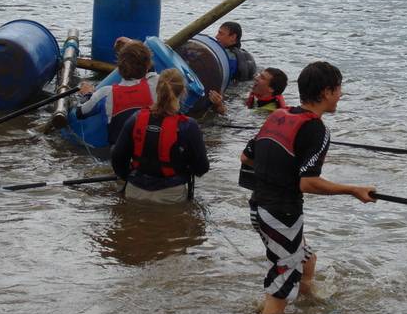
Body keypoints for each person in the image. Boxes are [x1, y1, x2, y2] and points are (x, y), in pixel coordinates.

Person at [240, 61, 376, 314]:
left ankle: (307, 303)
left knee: (306, 259)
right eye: (338, 89)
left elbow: (246, 157)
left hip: (258, 208)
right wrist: (353, 190)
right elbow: (308, 182)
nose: (341, 95)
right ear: (326, 92)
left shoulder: (278, 116)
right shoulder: (316, 129)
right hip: (282, 214)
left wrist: (277, 170)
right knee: (282, 283)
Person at [112, 69, 210, 204]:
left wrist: (128, 175)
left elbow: (117, 157)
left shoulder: (136, 119)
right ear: (182, 92)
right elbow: (202, 168)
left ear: (158, 90)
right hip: (171, 195)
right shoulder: (188, 126)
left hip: (135, 191)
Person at [76, 38, 157, 146]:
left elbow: (81, 112)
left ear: (118, 68)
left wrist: (87, 93)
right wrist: (131, 44)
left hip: (120, 156)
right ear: (147, 66)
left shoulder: (106, 93)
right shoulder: (156, 83)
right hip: (149, 150)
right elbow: (151, 68)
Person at [208, 66, 288, 116]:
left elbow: (233, 120)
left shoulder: (267, 112)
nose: (256, 78)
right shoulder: (259, 96)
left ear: (271, 89)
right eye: (259, 75)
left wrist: (219, 105)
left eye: (262, 78)